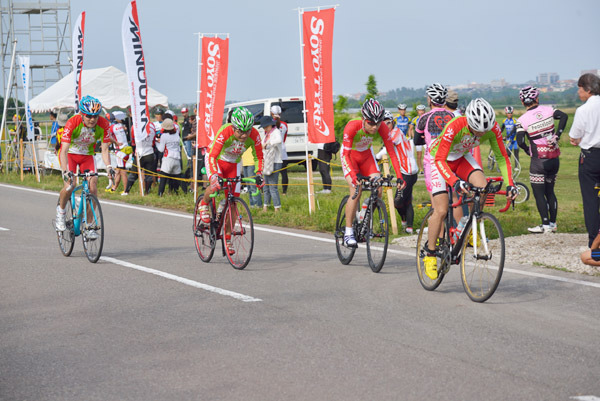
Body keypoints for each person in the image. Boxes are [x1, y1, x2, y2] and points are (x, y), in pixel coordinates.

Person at [423, 98, 518, 280]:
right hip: (438, 160)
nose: (480, 135)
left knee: (483, 188)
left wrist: (510, 184)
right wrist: (455, 182)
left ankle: (468, 224)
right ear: (469, 122)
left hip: (461, 157)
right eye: (476, 131)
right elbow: (440, 160)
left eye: (484, 131)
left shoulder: (492, 129)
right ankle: (430, 253)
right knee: (441, 210)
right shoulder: (456, 125)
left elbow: (502, 157)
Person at [198, 107, 264, 254]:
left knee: (233, 202)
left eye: (247, 131)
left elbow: (258, 156)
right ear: (233, 127)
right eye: (240, 132)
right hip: (217, 160)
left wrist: (259, 173)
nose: (244, 136)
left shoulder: (254, 134)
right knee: (215, 185)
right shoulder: (225, 131)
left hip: (234, 163)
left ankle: (227, 239)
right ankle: (204, 204)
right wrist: (215, 175)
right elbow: (212, 156)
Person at [340, 99, 405, 247]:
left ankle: (364, 219)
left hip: (366, 157)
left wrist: (400, 177)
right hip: (350, 158)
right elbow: (345, 155)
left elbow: (392, 153)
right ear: (363, 119)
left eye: (378, 123)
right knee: (356, 191)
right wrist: (354, 175)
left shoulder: (382, 127)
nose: (375, 127)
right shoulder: (352, 127)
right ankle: (348, 232)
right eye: (371, 123)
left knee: (379, 189)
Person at [54, 96, 115, 237]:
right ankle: (61, 213)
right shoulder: (72, 123)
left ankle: (89, 226)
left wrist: (108, 167)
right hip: (70, 155)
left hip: (87, 156)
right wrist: (65, 171)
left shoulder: (104, 124)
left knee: (92, 189)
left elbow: (105, 149)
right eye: (88, 116)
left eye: (95, 116)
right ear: (82, 114)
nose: (92, 119)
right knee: (70, 185)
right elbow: (63, 151)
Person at [516, 86, 568, 234]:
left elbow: (520, 141)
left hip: (539, 160)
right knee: (550, 192)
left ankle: (545, 225)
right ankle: (553, 224)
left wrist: (527, 150)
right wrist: (557, 134)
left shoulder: (521, 120)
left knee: (539, 193)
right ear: (537, 98)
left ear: (522, 102)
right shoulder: (548, 109)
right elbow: (564, 116)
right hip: (554, 158)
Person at [569, 73, 600, 247]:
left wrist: (578, 140)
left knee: (591, 200)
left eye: (580, 89)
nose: (579, 93)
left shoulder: (583, 110)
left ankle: (594, 244)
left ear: (588, 90)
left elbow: (574, 136)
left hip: (590, 158)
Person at [376, 111, 418, 233]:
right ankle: (408, 226)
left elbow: (386, 149)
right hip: (407, 170)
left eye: (388, 123)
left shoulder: (395, 132)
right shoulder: (393, 133)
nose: (385, 126)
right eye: (383, 124)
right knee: (405, 199)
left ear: (393, 123)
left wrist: (375, 157)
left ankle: (406, 223)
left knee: (399, 201)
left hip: (408, 171)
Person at [414, 83, 455, 197]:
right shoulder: (452, 116)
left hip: (432, 161)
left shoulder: (424, 118)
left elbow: (416, 141)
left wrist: (426, 139)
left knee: (436, 201)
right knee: (454, 197)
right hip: (450, 159)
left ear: (430, 100)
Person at [260, 115, 283, 212]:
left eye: (266, 126)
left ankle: (277, 207)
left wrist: (268, 143)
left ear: (270, 124)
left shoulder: (276, 132)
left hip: (275, 161)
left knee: (273, 186)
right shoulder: (266, 134)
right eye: (264, 127)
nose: (265, 128)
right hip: (267, 161)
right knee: (266, 186)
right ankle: (266, 205)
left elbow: (279, 140)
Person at [155, 118, 182, 196]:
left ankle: (160, 194)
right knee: (176, 178)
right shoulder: (176, 134)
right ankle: (175, 193)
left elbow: (161, 149)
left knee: (163, 177)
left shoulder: (164, 136)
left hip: (168, 158)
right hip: (177, 158)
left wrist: (157, 142)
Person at [106, 111, 131, 193]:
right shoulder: (119, 125)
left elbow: (109, 138)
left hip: (120, 151)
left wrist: (105, 145)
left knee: (123, 172)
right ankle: (114, 188)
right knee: (118, 170)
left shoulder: (111, 127)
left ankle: (126, 191)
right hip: (126, 149)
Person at [271, 105, 289, 195]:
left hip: (273, 150)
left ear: (271, 113)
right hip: (282, 150)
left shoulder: (270, 124)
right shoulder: (285, 125)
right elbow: (284, 138)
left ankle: (273, 189)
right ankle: (284, 191)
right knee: (284, 172)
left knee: (273, 172)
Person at [408, 104, 426, 174]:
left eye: (422, 110)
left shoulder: (427, 118)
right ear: (417, 111)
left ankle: (428, 168)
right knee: (419, 155)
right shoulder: (415, 119)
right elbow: (411, 128)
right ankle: (421, 169)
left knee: (429, 153)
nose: (421, 112)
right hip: (419, 139)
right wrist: (414, 137)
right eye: (419, 110)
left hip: (426, 138)